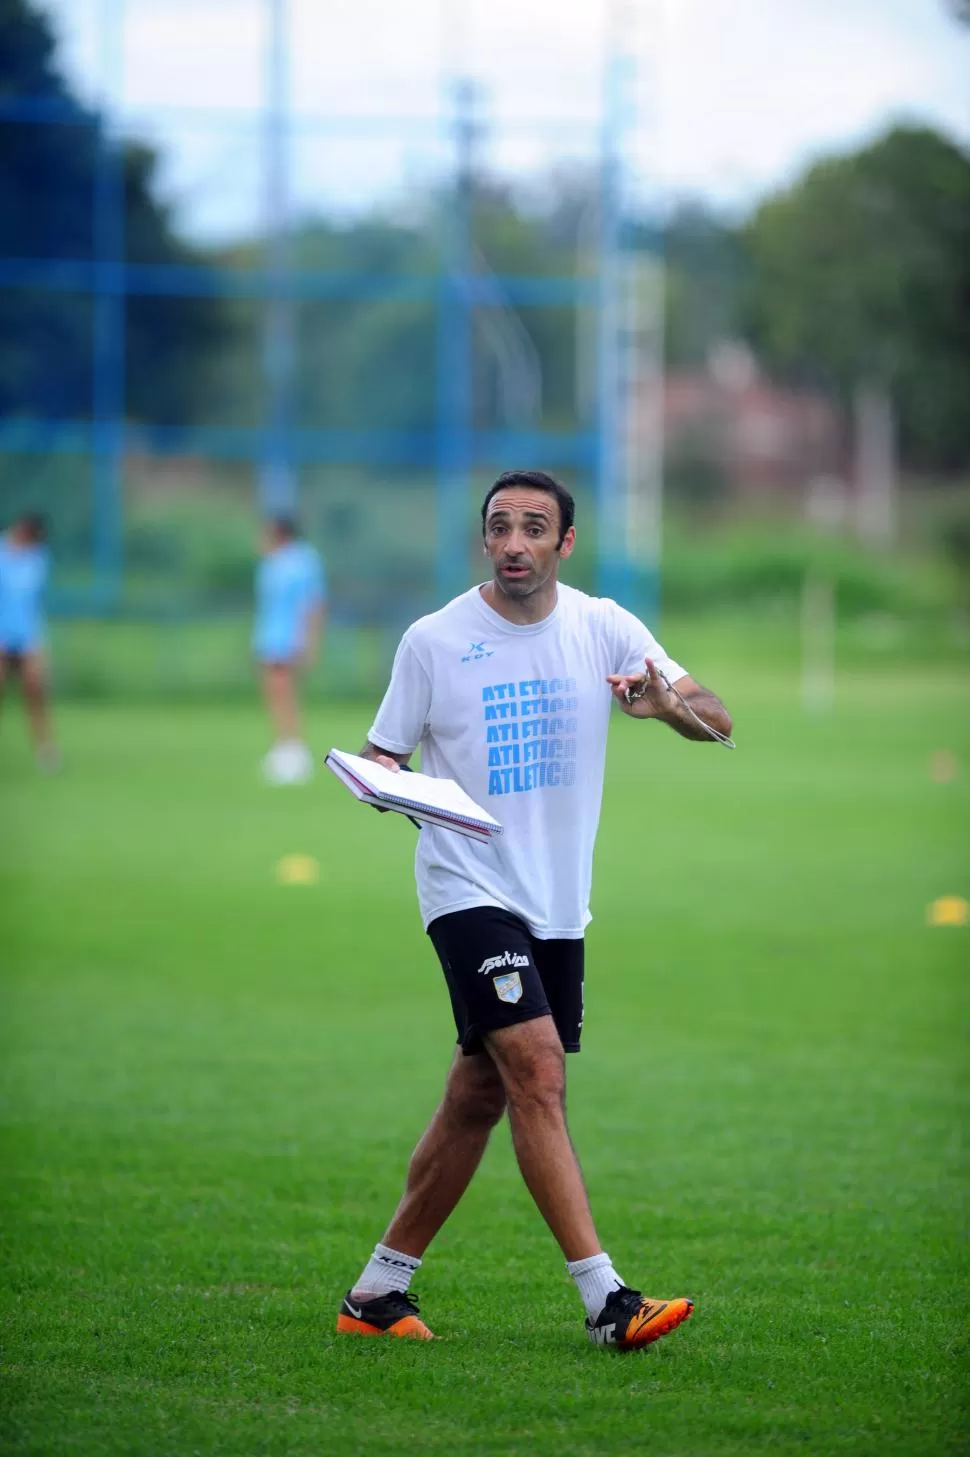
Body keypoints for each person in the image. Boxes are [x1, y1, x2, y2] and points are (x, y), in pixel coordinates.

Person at [335, 469, 733, 1351]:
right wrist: (392, 788)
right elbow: (381, 759)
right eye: (500, 526)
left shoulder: (605, 628)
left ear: (565, 543)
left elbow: (718, 719)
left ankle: (376, 1291)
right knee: (540, 1075)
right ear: (485, 540)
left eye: (533, 527)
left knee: (479, 1094)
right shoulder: (434, 640)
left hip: (556, 903)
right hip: (466, 889)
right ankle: (607, 1299)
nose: (514, 541)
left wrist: (666, 706)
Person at [252, 515, 326, 785]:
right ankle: (285, 744)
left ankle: (292, 748)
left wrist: (310, 640)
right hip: (270, 636)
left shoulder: (302, 561)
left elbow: (312, 603)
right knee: (275, 692)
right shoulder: (272, 562)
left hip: (288, 637)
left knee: (284, 692)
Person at [0, 511, 58, 770]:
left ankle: (45, 751)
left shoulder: (38, 558)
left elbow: (31, 599)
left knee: (36, 692)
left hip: (28, 636)